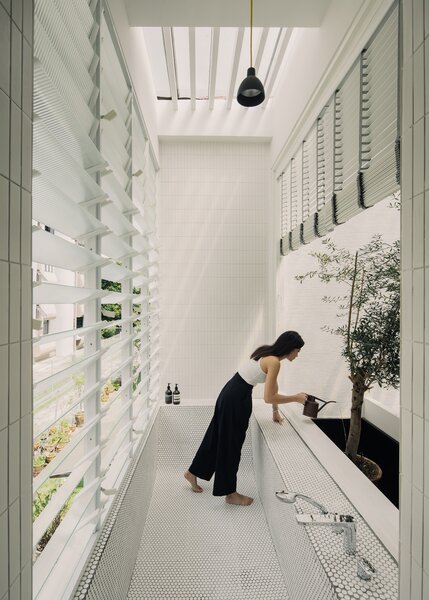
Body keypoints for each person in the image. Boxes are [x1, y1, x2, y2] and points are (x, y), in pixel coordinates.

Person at [184, 331, 307, 506]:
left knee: (217, 437)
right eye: (298, 350)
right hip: (237, 398)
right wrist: (296, 398)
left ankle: (193, 472)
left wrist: (274, 412)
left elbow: (274, 387)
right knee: (231, 445)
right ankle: (230, 494)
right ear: (291, 348)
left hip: (230, 392)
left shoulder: (267, 354)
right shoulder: (273, 361)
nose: (298, 354)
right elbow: (268, 396)